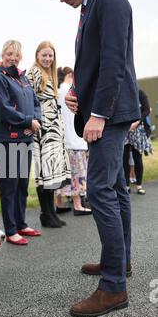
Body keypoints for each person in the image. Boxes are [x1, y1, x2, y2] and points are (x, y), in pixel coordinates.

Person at [47, 0, 140, 317]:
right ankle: (119, 262)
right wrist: (78, 95)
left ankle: (114, 287)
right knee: (115, 189)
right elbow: (96, 65)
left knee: (99, 189)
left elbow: (115, 60)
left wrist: (98, 113)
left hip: (111, 114)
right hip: (103, 109)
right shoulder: (87, 13)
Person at [0, 40, 42, 245]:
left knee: (21, 184)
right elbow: (3, 109)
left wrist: (36, 120)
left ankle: (21, 223)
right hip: (8, 140)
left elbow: (35, 103)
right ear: (2, 54)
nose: (13, 57)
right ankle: (10, 230)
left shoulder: (23, 77)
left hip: (25, 138)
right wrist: (28, 120)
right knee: (9, 186)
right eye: (9, 53)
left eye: (16, 54)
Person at [27, 41, 71, 227]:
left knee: (52, 172)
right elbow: (28, 99)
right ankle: (45, 215)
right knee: (45, 173)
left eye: (50, 55)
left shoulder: (50, 74)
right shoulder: (34, 73)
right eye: (44, 55)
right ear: (37, 55)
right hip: (43, 130)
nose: (47, 58)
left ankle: (51, 213)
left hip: (54, 129)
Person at [56, 66, 92, 216]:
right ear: (70, 75)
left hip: (65, 139)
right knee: (78, 173)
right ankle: (77, 205)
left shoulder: (59, 90)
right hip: (74, 139)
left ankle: (59, 202)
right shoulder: (68, 90)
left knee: (66, 173)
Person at [123, 89, 152, 195]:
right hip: (124, 129)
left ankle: (139, 185)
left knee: (137, 157)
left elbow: (147, 110)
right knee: (124, 158)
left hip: (138, 129)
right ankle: (126, 186)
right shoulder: (121, 93)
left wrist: (137, 122)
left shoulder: (140, 93)